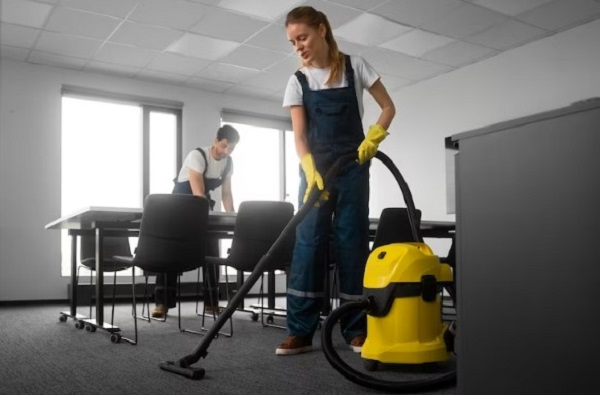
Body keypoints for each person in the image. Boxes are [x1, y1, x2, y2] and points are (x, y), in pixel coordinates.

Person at [276, 6, 396, 355]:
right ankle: (300, 330)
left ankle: (355, 328)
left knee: (352, 242)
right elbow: (299, 136)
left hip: (353, 167)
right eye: (292, 41)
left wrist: (373, 136)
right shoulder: (297, 81)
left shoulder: (356, 66)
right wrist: (309, 167)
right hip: (316, 173)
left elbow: (388, 107)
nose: (298, 46)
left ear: (322, 30)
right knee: (309, 244)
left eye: (303, 37)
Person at [151, 124, 240, 318]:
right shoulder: (198, 155)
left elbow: (226, 193)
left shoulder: (228, 163)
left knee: (212, 251)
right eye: (224, 146)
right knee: (170, 254)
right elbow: (199, 193)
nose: (227, 151)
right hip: (179, 207)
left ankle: (211, 303)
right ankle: (161, 303)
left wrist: (233, 217)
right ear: (216, 141)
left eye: (232, 148)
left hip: (200, 209)